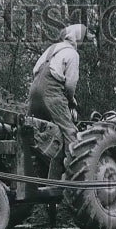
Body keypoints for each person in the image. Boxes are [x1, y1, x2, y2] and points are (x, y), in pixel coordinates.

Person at [26, 24, 88, 153]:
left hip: (34, 91)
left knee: (32, 129)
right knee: (70, 131)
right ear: (77, 40)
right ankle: (73, 164)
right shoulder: (73, 54)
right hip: (51, 92)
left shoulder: (52, 49)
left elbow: (35, 71)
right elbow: (70, 84)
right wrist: (71, 100)